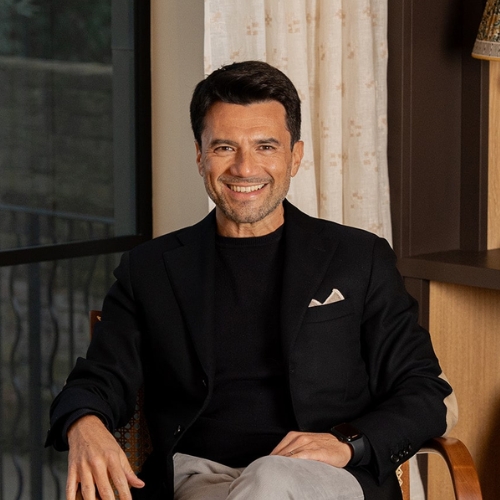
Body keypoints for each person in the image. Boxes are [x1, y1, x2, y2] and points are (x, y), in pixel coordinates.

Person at [47, 60, 457, 500]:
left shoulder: (358, 257)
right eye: (224, 147)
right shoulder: (151, 269)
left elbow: (423, 391)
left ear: (294, 157)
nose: (244, 168)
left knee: (271, 478)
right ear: (200, 155)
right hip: (201, 477)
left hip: (323, 478)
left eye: (265, 147)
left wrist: (347, 443)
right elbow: (100, 378)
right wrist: (83, 423)